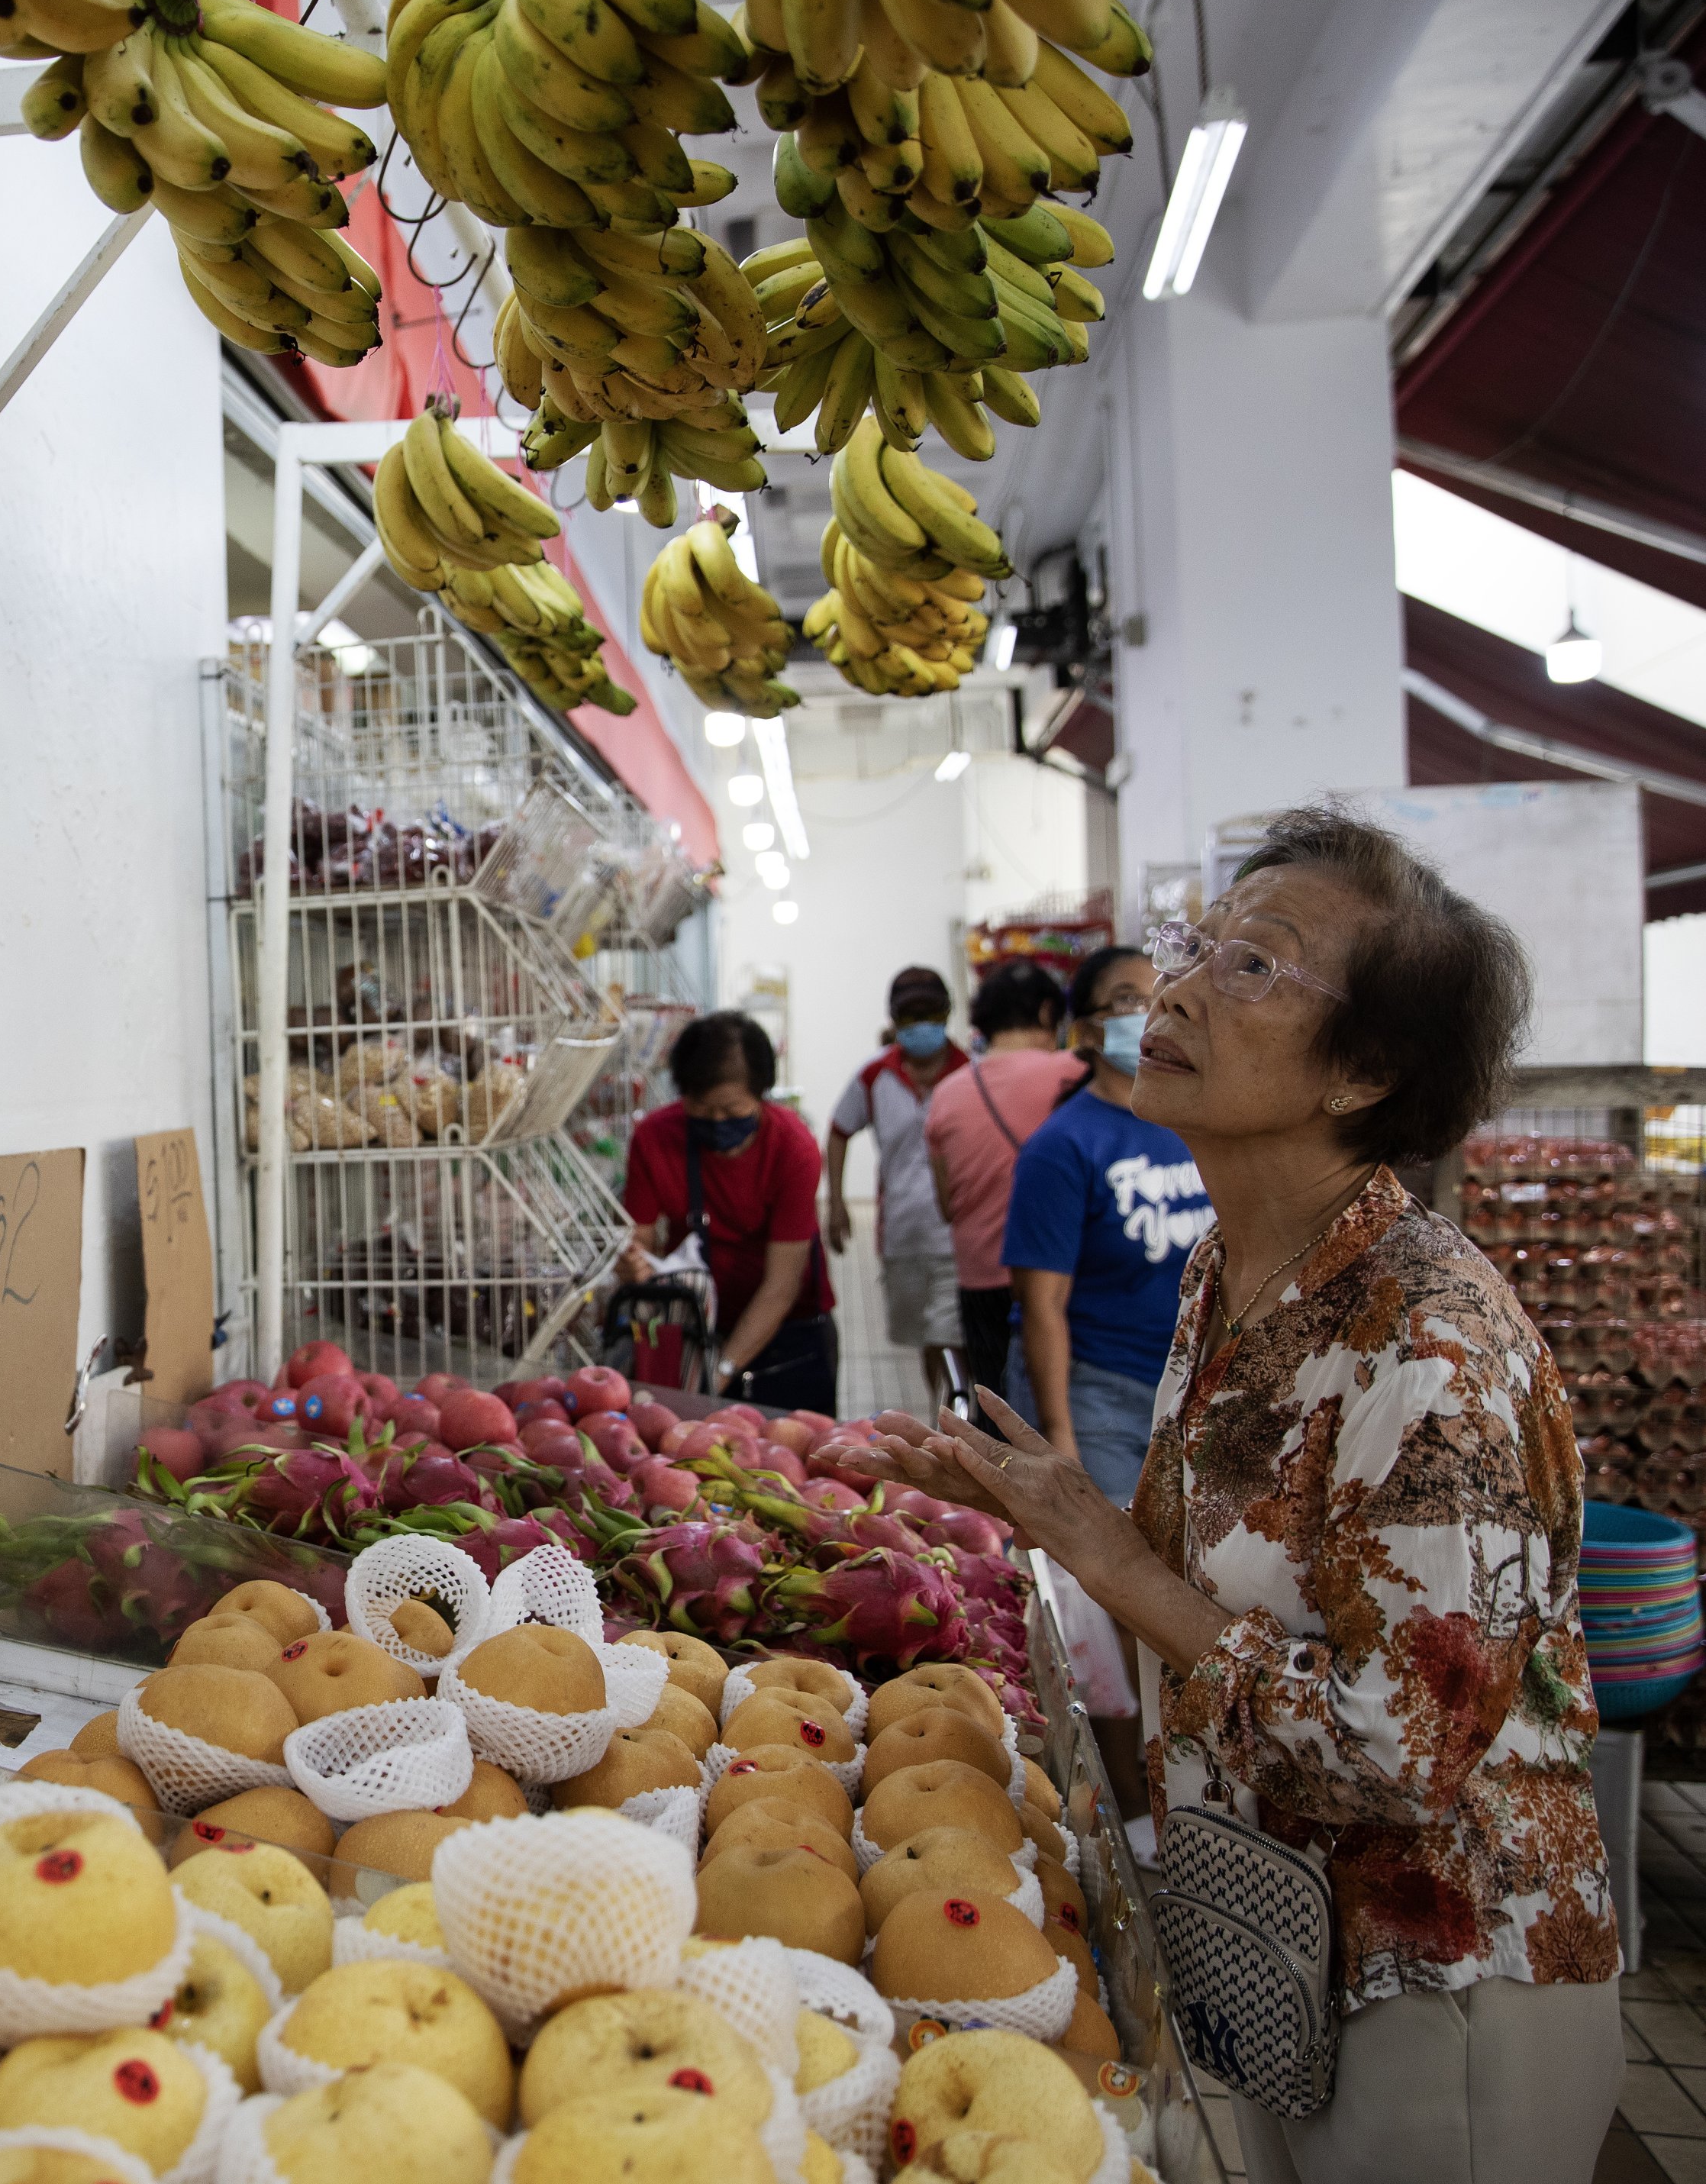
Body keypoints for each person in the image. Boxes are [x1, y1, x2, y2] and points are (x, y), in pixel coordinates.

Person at [844, 804, 1617, 2184]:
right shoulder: (1233, 1268)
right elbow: (1228, 1578)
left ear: (1366, 1068)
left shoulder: (1426, 1343)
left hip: (1434, 1982)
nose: (1178, 988)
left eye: (1253, 966)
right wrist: (1032, 1501)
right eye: (1194, 944)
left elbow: (1404, 1747)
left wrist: (1110, 1557)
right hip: (1277, 1933)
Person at [999, 944, 1208, 1505]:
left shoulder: (1195, 1125)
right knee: (1107, 1573)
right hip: (1101, 1395)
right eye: (1127, 999)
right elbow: (1041, 1305)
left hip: (1191, 1389)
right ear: (1087, 1032)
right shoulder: (1062, 1147)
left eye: (1160, 992)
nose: (1151, 1008)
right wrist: (1059, 1438)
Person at [621, 1010, 838, 1411]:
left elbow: (782, 1286)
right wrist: (632, 1264)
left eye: (734, 1112)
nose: (718, 1122)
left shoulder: (793, 1147)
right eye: (703, 1111)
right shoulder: (655, 1138)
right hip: (692, 1323)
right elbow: (639, 1238)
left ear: (762, 1094)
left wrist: (717, 1371)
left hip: (788, 1333)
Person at [925, 958, 1078, 1401]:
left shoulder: (946, 1094)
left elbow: (947, 1204)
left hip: (982, 1275)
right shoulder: (1076, 1075)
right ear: (1049, 1014)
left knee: (996, 1407)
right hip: (1062, 1273)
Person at [826, 965, 971, 1386]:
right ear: (893, 1020)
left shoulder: (971, 1071)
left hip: (961, 1232)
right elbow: (838, 1132)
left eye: (930, 1014)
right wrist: (836, 1203)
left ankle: (957, 1420)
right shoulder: (874, 1077)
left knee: (953, 1335)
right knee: (929, 1338)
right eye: (910, 1016)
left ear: (947, 1014)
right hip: (902, 1232)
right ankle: (944, 1415)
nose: (921, 1025)